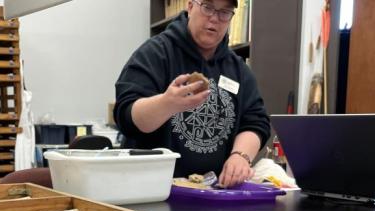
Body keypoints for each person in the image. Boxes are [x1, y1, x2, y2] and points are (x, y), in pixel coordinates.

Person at [114, 0, 270, 187]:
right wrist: (166, 104)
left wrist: (241, 156)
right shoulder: (155, 53)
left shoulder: (238, 69)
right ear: (190, 6)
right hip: (151, 189)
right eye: (207, 7)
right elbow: (127, 116)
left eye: (224, 12)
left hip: (214, 192)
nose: (214, 18)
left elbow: (255, 122)